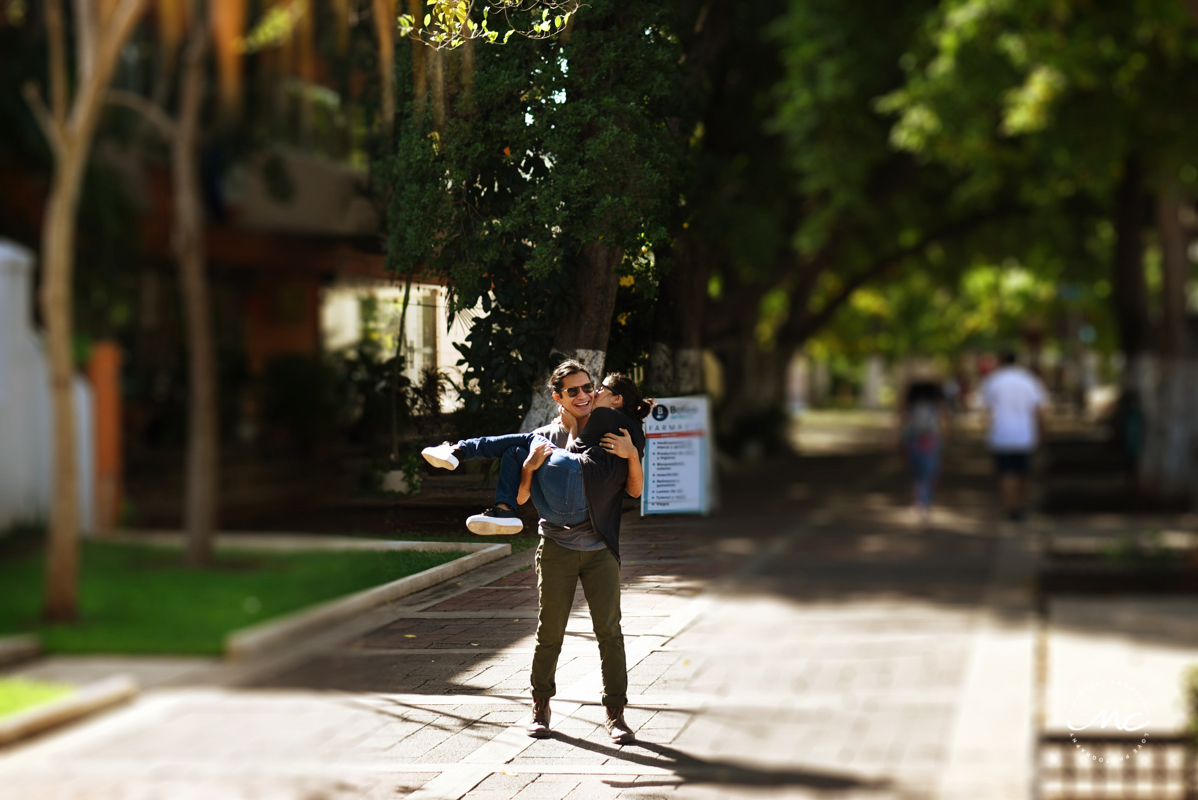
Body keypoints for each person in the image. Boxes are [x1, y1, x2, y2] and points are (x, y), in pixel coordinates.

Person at [421, 361, 651, 744]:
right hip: (556, 546)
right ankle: (540, 707)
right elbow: (526, 496)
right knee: (550, 633)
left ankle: (616, 715)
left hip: (600, 548)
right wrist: (528, 470)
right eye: (574, 391)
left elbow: (635, 492)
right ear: (557, 397)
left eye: (588, 388)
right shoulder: (544, 437)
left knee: (610, 632)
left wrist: (631, 454)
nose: (584, 396)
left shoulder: (610, 432)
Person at [979, 351, 1048, 522]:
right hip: (1025, 434)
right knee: (1022, 473)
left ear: (1001, 361)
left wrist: (987, 429)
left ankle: (1010, 507)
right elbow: (1038, 409)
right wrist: (1041, 432)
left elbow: (985, 409)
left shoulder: (993, 380)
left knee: (1006, 473)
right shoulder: (1029, 380)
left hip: (1001, 434)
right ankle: (1020, 507)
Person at [899, 380, 948, 524]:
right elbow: (944, 424)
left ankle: (918, 504)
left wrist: (894, 439)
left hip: (913, 442)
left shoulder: (910, 405)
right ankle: (925, 503)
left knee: (916, 475)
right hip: (931, 443)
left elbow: (900, 423)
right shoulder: (937, 405)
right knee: (929, 474)